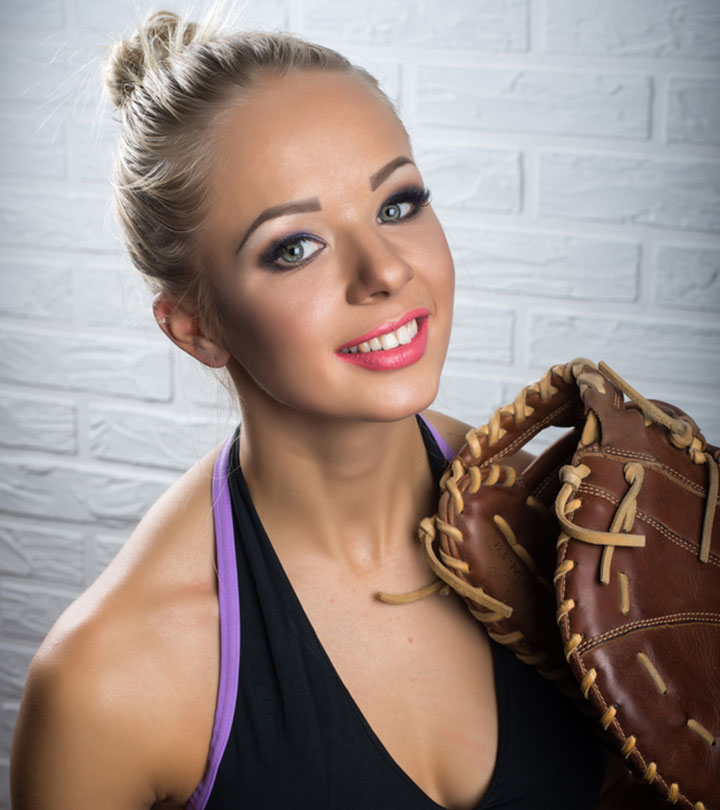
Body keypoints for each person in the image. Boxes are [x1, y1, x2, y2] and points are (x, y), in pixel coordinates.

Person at [10, 11, 629, 809]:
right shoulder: (108, 681)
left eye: (397, 204)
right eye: (294, 247)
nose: (384, 271)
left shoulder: (577, 534)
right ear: (194, 328)